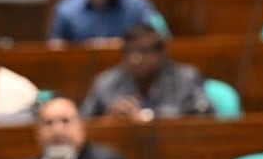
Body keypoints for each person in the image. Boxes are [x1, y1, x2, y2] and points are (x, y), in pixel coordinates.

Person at [80, 23, 213, 121]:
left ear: (161, 54)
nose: (135, 59)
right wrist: (109, 121)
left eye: (143, 51)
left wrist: (147, 119)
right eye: (129, 52)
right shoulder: (106, 82)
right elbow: (83, 123)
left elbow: (206, 119)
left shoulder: (187, 79)